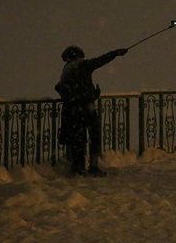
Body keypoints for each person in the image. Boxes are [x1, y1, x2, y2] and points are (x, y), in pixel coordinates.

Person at [55, 45, 128, 176]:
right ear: (78, 56)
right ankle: (93, 166)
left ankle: (78, 167)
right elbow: (101, 60)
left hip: (72, 110)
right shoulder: (82, 65)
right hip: (86, 108)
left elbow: (59, 88)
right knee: (94, 136)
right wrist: (115, 53)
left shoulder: (65, 70)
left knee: (78, 139)